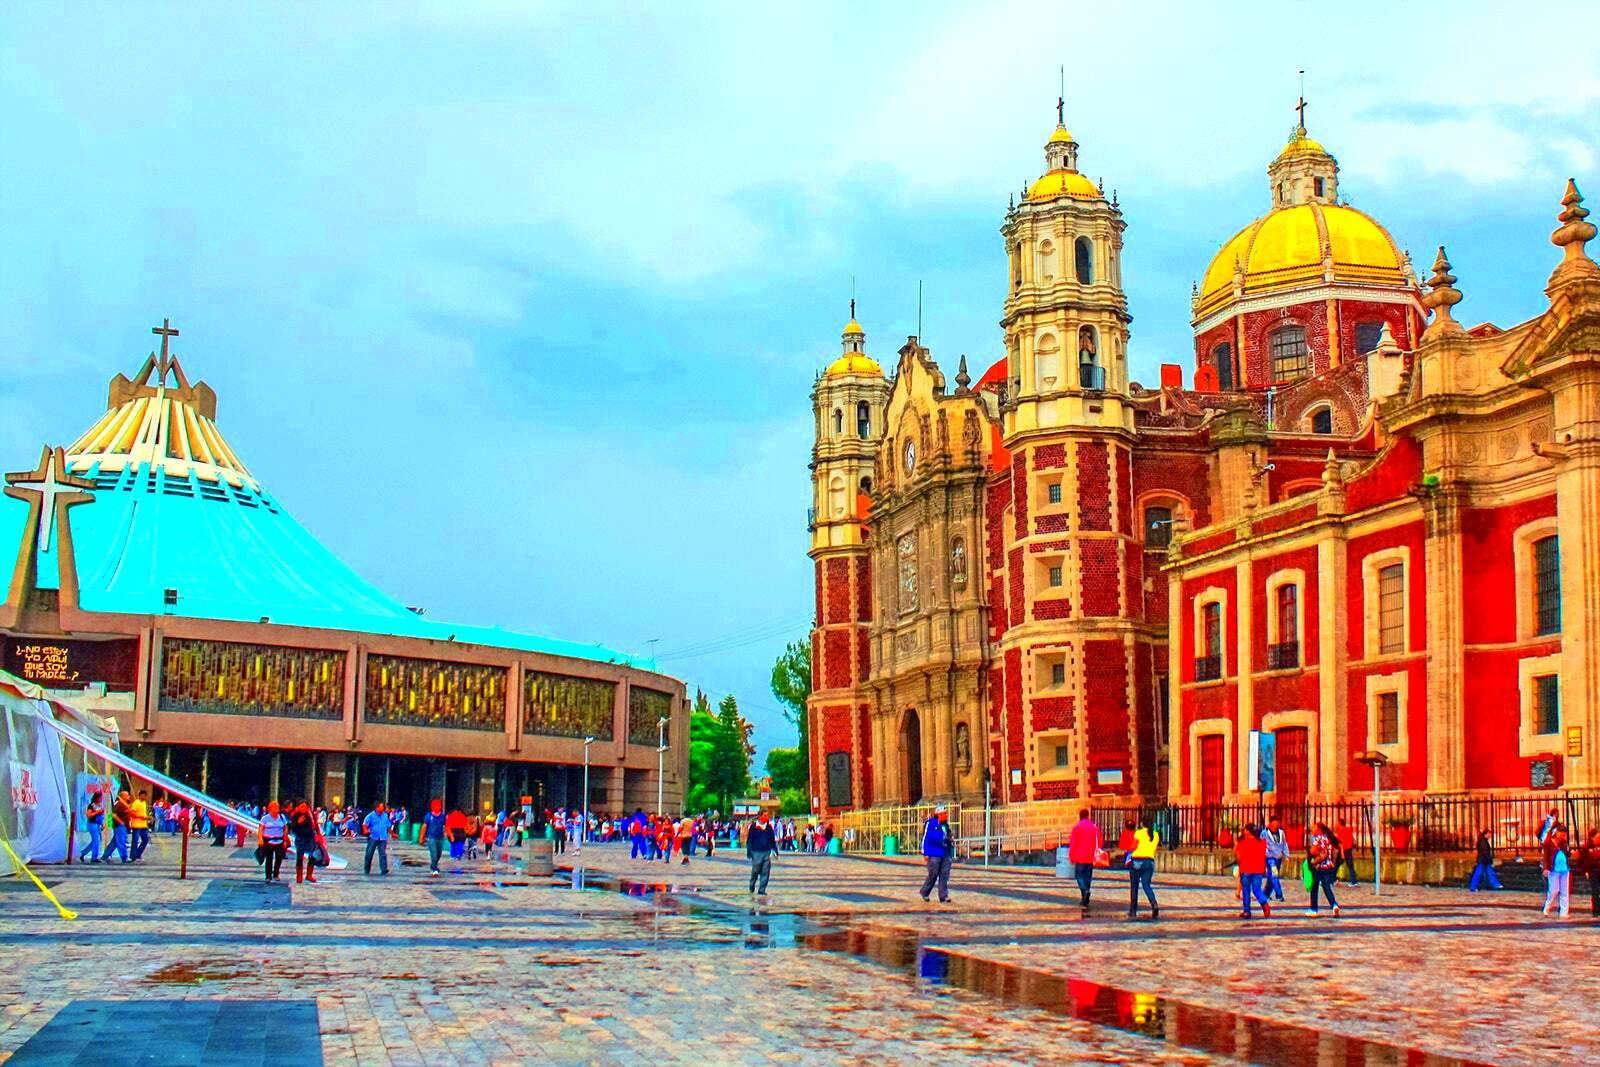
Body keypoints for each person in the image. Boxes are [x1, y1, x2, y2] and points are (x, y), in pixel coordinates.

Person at [1066, 809, 1102, 910]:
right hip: (1090, 857)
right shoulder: (1094, 828)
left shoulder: (1077, 828)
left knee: (1079, 876)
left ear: (1080, 816)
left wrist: (1071, 856)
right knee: (1088, 877)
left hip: (1080, 856)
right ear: (1088, 816)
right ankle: (1085, 895)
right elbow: (1099, 841)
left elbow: (1073, 844)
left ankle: (1084, 892)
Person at [919, 804, 954, 904]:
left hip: (945, 852)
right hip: (934, 852)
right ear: (939, 814)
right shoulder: (930, 823)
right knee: (933, 874)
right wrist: (924, 852)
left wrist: (950, 838)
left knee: (944, 875)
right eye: (944, 813)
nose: (946, 815)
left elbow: (948, 835)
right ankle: (925, 891)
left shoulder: (946, 825)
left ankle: (943, 895)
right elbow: (926, 838)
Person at [1235, 821, 1271, 918]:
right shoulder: (1262, 843)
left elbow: (1238, 857)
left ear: (1247, 831)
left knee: (1246, 890)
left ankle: (1247, 911)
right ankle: (1264, 903)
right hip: (1258, 870)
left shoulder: (1242, 843)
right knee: (1257, 890)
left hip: (1246, 869)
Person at [1127, 817, 1160, 920]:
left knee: (1134, 886)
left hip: (1137, 860)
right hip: (1149, 861)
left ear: (1142, 824)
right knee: (1146, 885)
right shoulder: (1155, 835)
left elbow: (1133, 846)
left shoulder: (1139, 833)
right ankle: (1154, 903)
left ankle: (1133, 910)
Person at [1306, 822, 1341, 917]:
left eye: (1314, 828)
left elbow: (1313, 851)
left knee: (1314, 888)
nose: (1312, 830)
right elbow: (1333, 851)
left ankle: (1314, 909)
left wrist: (1312, 858)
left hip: (1318, 867)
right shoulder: (1328, 838)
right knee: (1326, 888)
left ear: (1319, 830)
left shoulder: (1317, 839)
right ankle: (1334, 905)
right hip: (1328, 867)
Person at [1541, 823, 1571, 918]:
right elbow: (1545, 857)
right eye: (1561, 835)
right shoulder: (1548, 842)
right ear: (1557, 833)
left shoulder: (1564, 843)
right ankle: (1547, 906)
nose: (1563, 837)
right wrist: (1546, 868)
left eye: (1564, 835)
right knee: (1554, 890)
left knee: (1564, 891)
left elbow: (1567, 853)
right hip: (1553, 869)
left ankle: (1564, 912)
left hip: (1564, 869)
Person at [746, 810, 776, 896]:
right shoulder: (754, 827)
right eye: (765, 815)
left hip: (766, 852)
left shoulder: (769, 828)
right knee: (755, 870)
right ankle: (752, 884)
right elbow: (749, 840)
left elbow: (772, 840)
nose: (767, 817)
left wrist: (774, 850)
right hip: (756, 852)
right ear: (760, 816)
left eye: (767, 816)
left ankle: (762, 890)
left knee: (765, 871)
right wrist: (749, 851)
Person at [258, 800, 289, 882]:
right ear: (269, 809)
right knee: (269, 858)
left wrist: (285, 839)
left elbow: (285, 828)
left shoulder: (282, 817)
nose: (276, 810)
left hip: (279, 840)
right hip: (268, 840)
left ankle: (276, 874)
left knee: (279, 857)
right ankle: (268, 876)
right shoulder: (265, 818)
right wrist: (260, 838)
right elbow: (260, 829)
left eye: (277, 808)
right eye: (274, 808)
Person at [291, 802, 320, 885]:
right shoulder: (295, 816)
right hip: (300, 839)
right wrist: (298, 823)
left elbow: (315, 826)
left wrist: (317, 835)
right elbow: (293, 829)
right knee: (299, 857)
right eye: (301, 806)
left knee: (312, 857)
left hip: (310, 838)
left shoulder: (310, 815)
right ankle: (299, 876)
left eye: (305, 806)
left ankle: (309, 875)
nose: (303, 808)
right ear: (298, 807)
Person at [363, 803, 393, 876]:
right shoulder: (370, 816)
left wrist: (392, 834)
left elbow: (388, 826)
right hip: (373, 837)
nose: (383, 809)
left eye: (383, 807)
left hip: (383, 838)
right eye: (382, 807)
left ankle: (384, 869)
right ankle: (367, 869)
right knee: (369, 854)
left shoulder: (385, 816)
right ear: (377, 808)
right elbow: (365, 825)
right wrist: (366, 831)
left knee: (383, 854)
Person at [1576, 829, 1600, 919]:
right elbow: (1581, 861)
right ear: (1592, 838)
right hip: (1593, 871)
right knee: (1595, 891)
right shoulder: (1586, 848)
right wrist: (1586, 871)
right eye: (1597, 837)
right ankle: (1596, 911)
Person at [1262, 819, 1288, 901]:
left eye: (1277, 823)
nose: (1275, 825)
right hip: (1270, 857)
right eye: (1274, 823)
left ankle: (1266, 894)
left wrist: (1286, 855)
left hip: (1278, 857)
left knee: (1271, 877)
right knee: (1274, 875)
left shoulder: (1281, 832)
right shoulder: (1265, 833)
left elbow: (1284, 844)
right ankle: (1279, 894)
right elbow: (1261, 844)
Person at [104, 788, 132, 863]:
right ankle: (124, 857)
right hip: (119, 826)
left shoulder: (124, 803)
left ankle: (105, 856)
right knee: (121, 841)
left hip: (122, 826)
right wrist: (121, 822)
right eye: (127, 795)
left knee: (115, 842)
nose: (129, 796)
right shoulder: (119, 804)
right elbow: (113, 815)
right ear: (123, 796)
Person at [422, 799, 447, 876]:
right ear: (432, 807)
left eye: (439, 806)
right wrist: (421, 837)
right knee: (434, 854)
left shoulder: (443, 816)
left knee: (439, 854)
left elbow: (446, 826)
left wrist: (447, 834)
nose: (438, 807)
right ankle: (434, 868)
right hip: (431, 838)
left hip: (440, 838)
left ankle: (433, 865)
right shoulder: (428, 816)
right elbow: (424, 827)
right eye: (436, 806)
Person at [79, 791, 105, 863]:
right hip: (92, 824)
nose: (101, 799)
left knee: (95, 841)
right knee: (96, 840)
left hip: (97, 824)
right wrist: (97, 812)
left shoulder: (99, 805)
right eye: (100, 797)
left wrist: (102, 824)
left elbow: (100, 816)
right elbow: (89, 815)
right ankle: (94, 857)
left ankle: (83, 853)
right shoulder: (91, 805)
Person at [128, 790, 152, 861]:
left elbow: (143, 813)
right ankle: (133, 856)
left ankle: (138, 854)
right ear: (140, 795)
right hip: (136, 825)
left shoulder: (144, 803)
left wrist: (147, 818)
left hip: (143, 825)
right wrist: (141, 817)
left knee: (145, 840)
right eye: (143, 795)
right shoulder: (136, 803)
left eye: (145, 796)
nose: (144, 797)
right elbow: (132, 813)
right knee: (135, 840)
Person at [1335, 820, 1358, 886]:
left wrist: (1342, 853)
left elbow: (1341, 843)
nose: (1336, 825)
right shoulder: (1348, 830)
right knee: (1350, 866)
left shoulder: (1340, 831)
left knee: (1336, 865)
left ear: (1339, 824)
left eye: (1337, 823)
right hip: (1349, 850)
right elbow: (1353, 840)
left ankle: (1331, 879)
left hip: (1343, 850)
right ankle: (1354, 881)